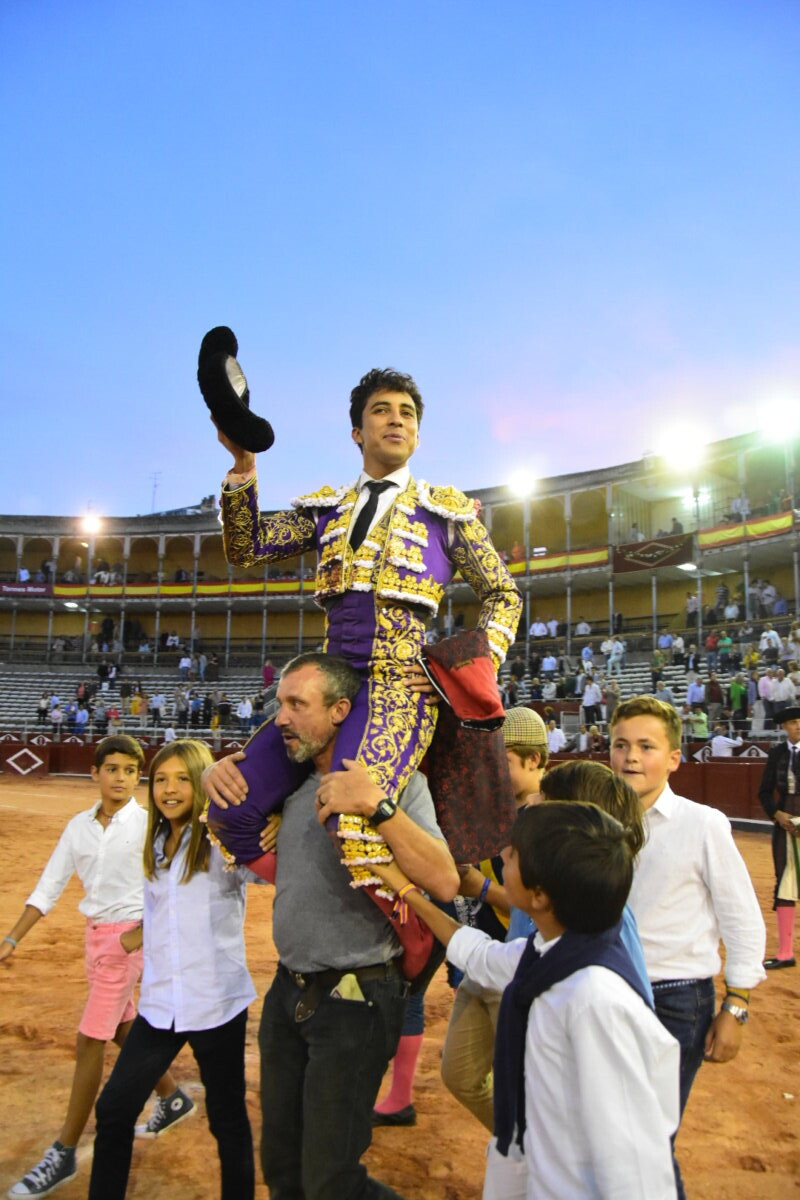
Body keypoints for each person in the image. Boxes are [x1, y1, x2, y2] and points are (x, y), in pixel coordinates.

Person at [205, 366, 521, 884]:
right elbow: (248, 545)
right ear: (358, 432)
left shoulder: (446, 514)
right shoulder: (328, 510)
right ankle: (307, 890)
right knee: (229, 807)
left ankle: (417, 939)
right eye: (382, 410)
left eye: (407, 414)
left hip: (401, 684)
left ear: (417, 433)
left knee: (351, 816)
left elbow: (502, 593)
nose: (396, 421)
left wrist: (462, 670)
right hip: (329, 681)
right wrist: (243, 466)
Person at [220, 653, 458, 1198]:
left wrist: (376, 806)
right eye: (279, 703)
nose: (279, 717)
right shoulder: (287, 789)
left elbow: (444, 881)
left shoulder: (397, 784)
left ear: (339, 711)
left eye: (296, 705)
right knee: (282, 1168)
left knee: (331, 1180)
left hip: (358, 998)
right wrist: (218, 771)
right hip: (287, 992)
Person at [374, 802, 679, 1200]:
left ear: (539, 896)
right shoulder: (548, 952)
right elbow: (478, 953)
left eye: (513, 855)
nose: (501, 856)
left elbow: (634, 1165)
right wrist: (407, 890)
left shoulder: (595, 1000)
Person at [1, 736, 187, 1199]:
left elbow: (171, 888)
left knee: (89, 1039)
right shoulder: (78, 827)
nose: (120, 777)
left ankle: (63, 1151)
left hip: (126, 943)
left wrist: (138, 936)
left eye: (129, 770)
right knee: (123, 1024)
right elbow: (49, 885)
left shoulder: (150, 824)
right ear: (95, 773)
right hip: (94, 938)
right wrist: (11, 937)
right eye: (112, 769)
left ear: (137, 777)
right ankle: (173, 1096)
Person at [88, 740, 259, 1200]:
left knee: (228, 1122)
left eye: (183, 778)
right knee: (114, 1109)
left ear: (203, 784)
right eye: (161, 779)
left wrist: (269, 824)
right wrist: (133, 936)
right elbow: (166, 909)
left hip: (216, 1004)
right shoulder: (157, 844)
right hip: (160, 1004)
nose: (169, 788)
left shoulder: (223, 840)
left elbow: (264, 872)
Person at [609, 696, 765, 1194]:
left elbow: (741, 919)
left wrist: (736, 1004)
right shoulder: (595, 821)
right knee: (608, 1134)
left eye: (646, 747)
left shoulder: (703, 824)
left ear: (674, 758)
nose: (631, 757)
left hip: (674, 1001)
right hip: (602, 996)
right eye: (620, 745)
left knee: (647, 1142)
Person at [437, 706, 548, 1131]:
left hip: (522, 967)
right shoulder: (495, 811)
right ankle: (518, 1145)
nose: (492, 773)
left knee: (524, 1082)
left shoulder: (545, 818)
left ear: (534, 760)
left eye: (502, 762)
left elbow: (534, 905)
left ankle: (528, 1155)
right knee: (460, 1075)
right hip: (484, 959)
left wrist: (478, 887)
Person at [757, 704, 800, 969]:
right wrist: (778, 815)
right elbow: (763, 792)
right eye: (793, 722)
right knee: (785, 883)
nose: (798, 726)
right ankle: (785, 952)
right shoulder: (776, 754)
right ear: (784, 726)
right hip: (785, 827)